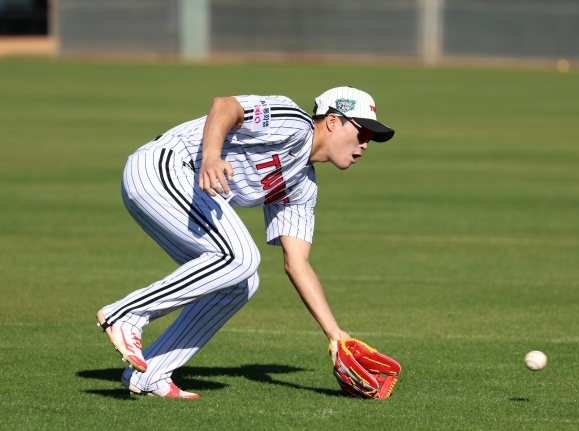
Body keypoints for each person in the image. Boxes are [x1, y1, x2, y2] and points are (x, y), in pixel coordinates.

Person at [96, 86, 395, 398]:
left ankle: (151, 373)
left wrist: (335, 334)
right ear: (333, 121)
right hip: (162, 167)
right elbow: (225, 106)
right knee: (240, 257)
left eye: (371, 138)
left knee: (241, 282)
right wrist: (211, 156)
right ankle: (128, 314)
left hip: (177, 191)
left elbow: (298, 263)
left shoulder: (302, 186)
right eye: (362, 133)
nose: (366, 143)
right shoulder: (293, 122)